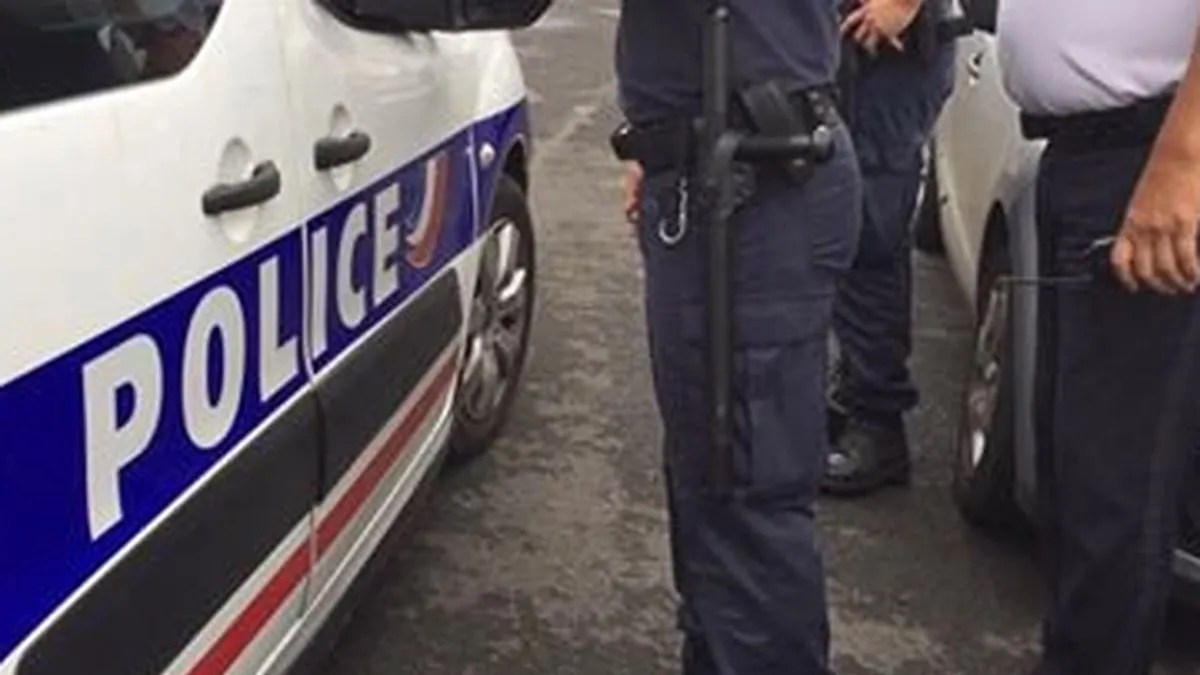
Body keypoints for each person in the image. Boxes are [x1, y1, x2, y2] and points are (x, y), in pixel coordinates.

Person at [612, 1, 863, 672]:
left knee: (742, 496)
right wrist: (667, 136)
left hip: (753, 183)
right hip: (731, 161)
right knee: (712, 485)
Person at [996, 1, 1200, 673]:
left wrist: (1182, 160)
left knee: (1115, 486)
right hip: (1093, 155)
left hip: (1151, 158)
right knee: (1077, 474)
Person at [820, 0, 957, 497]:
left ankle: (877, 422)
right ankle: (857, 389)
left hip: (887, 55)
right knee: (844, 234)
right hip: (858, 45)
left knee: (869, 239)